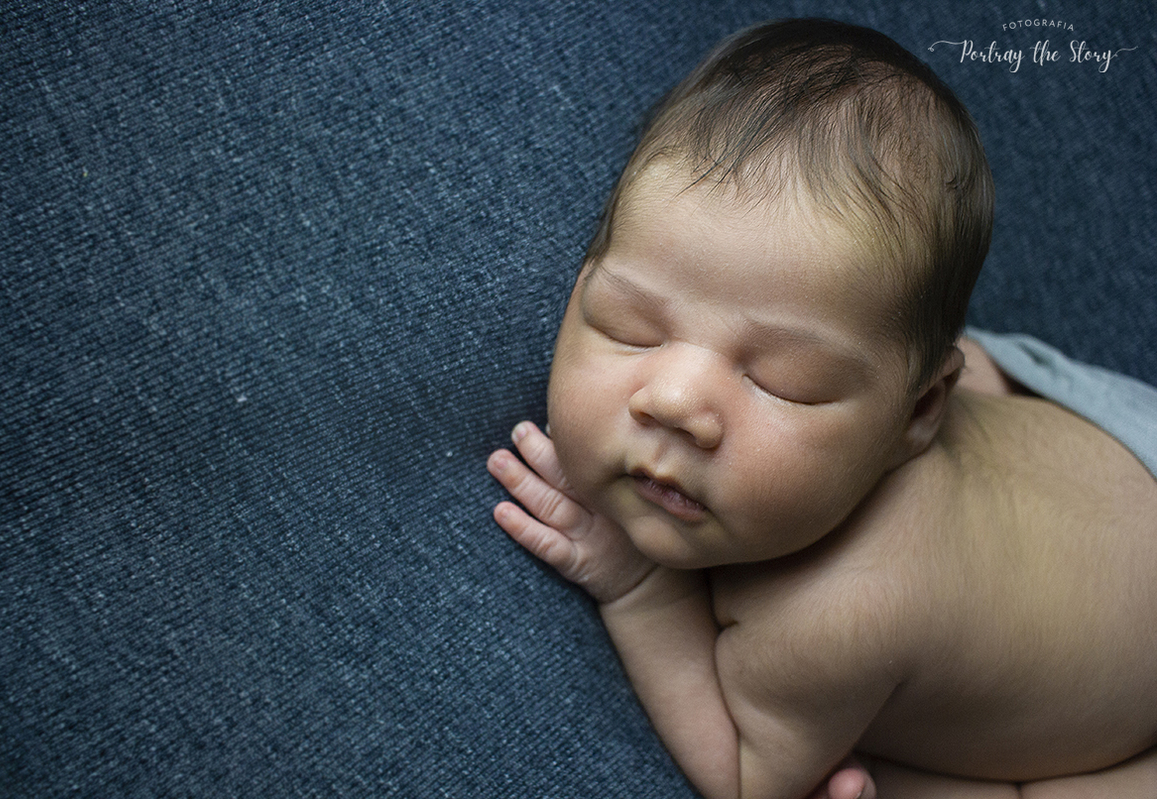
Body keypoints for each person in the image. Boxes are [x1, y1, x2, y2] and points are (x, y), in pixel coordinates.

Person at [485, 18, 1157, 799]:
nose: (673, 402)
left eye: (786, 381)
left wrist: (642, 589)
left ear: (919, 414)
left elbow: (743, 775)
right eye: (630, 326)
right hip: (1115, 435)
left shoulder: (830, 618)